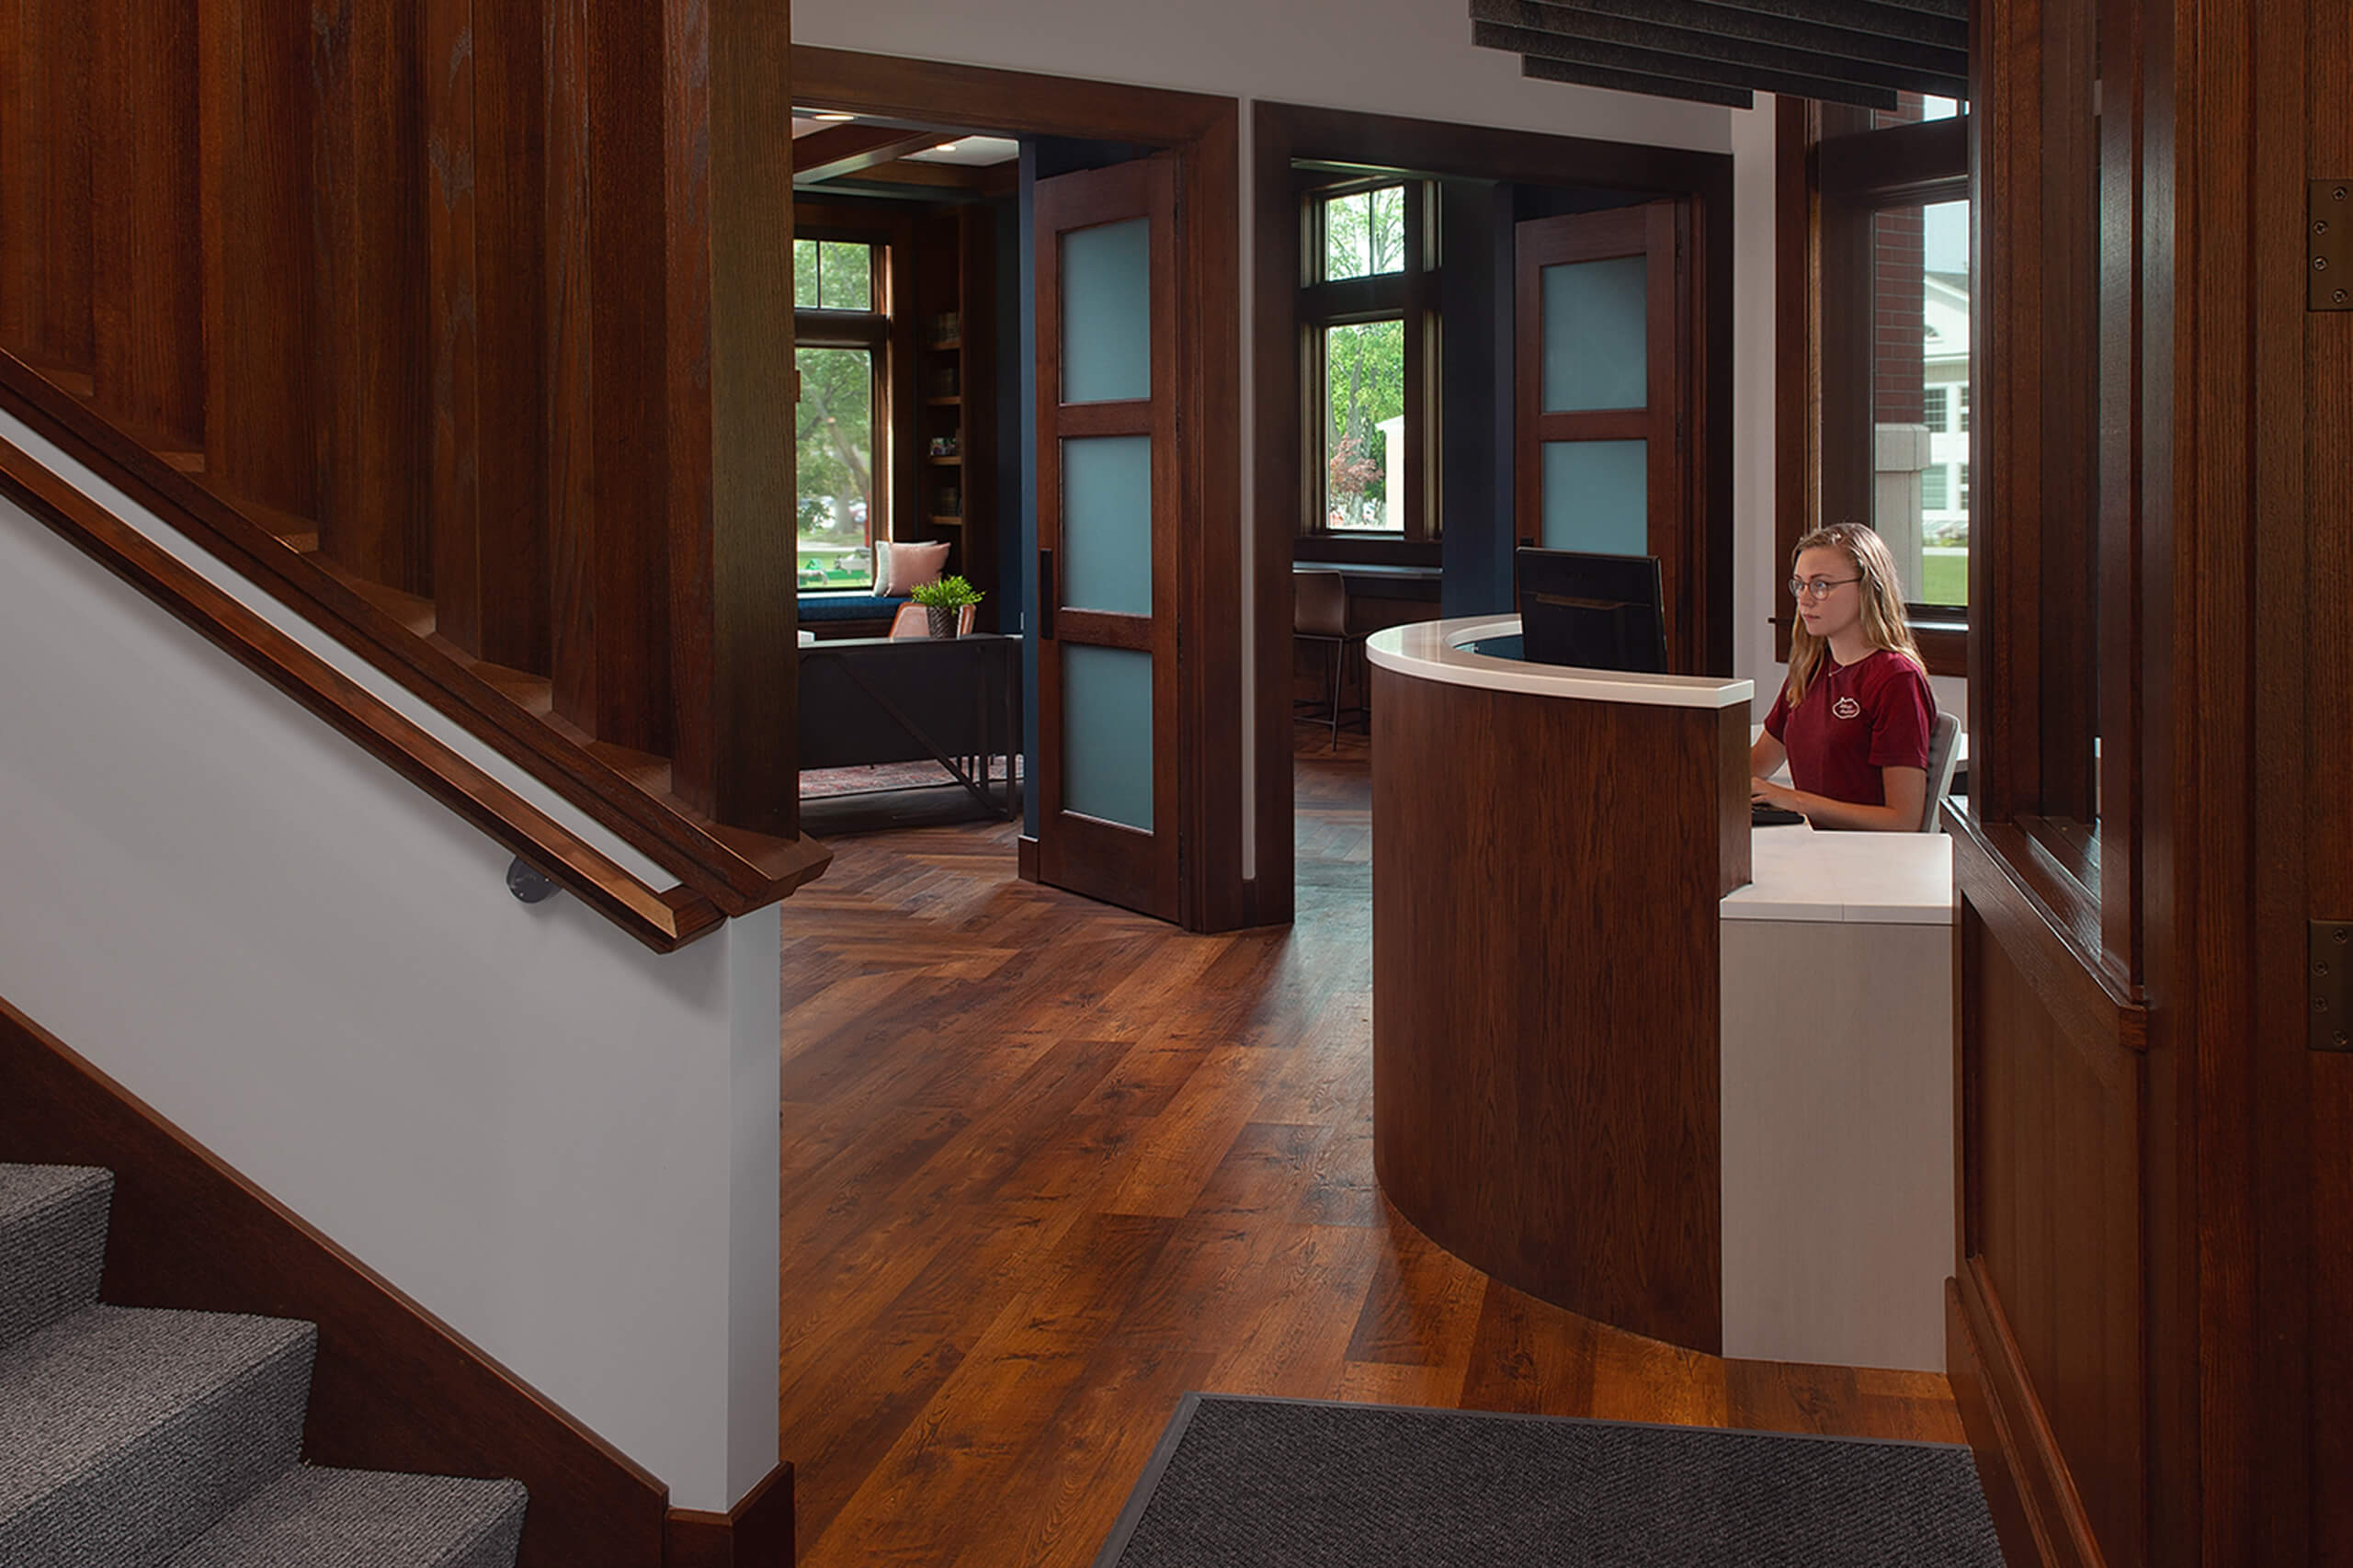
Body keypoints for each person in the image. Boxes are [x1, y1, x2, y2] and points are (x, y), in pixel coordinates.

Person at [1750, 521, 1936, 832]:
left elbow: (1903, 820)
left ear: (1867, 588)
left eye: (1821, 585)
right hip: (1814, 849)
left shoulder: (1895, 679)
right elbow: (1754, 768)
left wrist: (1795, 800)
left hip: (1863, 861)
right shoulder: (1810, 668)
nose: (1805, 599)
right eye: (1800, 584)